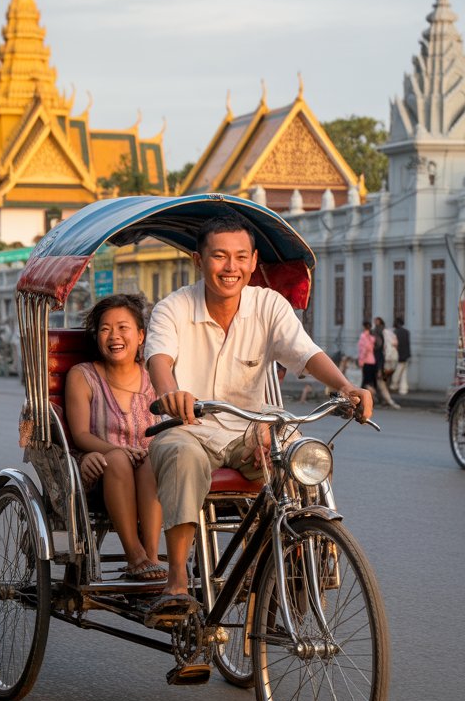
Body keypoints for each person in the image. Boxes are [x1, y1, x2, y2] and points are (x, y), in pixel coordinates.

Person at [144, 214, 373, 621]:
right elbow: (159, 359)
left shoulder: (268, 304)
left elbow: (305, 352)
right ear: (199, 260)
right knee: (180, 455)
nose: (230, 267)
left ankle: (291, 561)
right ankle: (177, 579)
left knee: (300, 454)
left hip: (251, 426)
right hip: (189, 427)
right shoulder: (173, 308)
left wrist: (345, 386)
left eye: (240, 257)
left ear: (252, 262)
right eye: (219, 256)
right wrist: (169, 393)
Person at [65, 294, 166, 581]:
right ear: (97, 337)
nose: (114, 337)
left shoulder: (154, 376)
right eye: (105, 329)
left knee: (152, 459)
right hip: (99, 467)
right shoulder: (82, 376)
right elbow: (80, 435)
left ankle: (151, 556)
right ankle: (134, 556)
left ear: (141, 336)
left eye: (123, 328)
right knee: (119, 459)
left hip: (148, 469)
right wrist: (115, 450)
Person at [372, 317, 399, 408]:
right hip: (388, 361)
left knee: (381, 382)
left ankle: (385, 400)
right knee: (383, 382)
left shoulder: (382, 333)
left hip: (384, 362)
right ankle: (384, 400)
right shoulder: (387, 332)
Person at [391, 317, 411, 396]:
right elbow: (407, 344)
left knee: (397, 372)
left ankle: (394, 386)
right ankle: (403, 389)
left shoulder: (395, 332)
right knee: (404, 373)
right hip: (405, 355)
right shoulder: (406, 332)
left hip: (398, 356)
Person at [357, 321, 378, 397]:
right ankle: (372, 397)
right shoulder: (372, 337)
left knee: (365, 382)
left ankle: (370, 397)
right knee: (370, 381)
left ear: (364, 327)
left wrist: (361, 362)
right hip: (372, 361)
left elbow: (364, 350)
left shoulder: (363, 336)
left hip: (366, 362)